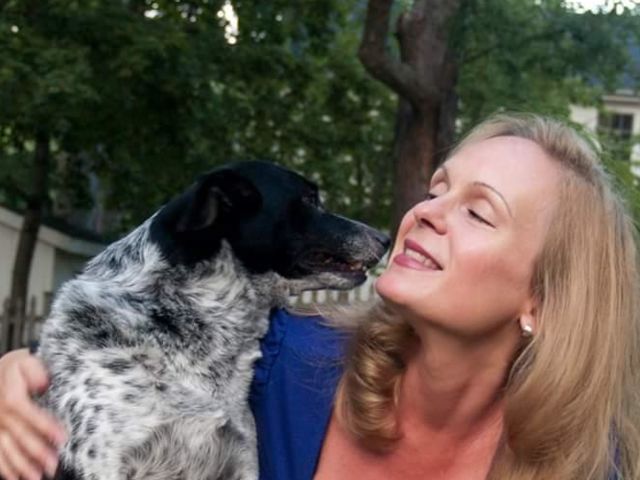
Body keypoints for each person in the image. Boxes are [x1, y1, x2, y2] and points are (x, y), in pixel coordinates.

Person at [0, 113, 638, 480]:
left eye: (478, 212)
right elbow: (102, 364)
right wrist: (17, 382)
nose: (426, 212)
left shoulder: (589, 466)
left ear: (540, 302)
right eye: (437, 189)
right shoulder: (274, 362)